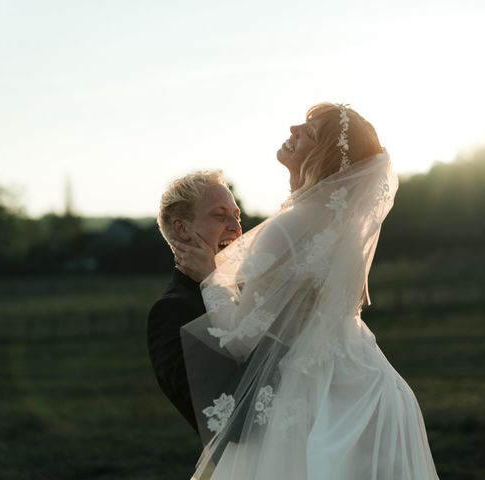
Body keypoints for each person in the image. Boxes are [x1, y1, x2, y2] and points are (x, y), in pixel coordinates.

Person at [177, 103, 439, 479]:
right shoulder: (346, 231)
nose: (293, 126)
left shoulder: (286, 229)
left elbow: (242, 337)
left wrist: (210, 279)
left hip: (307, 399)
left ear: (323, 158)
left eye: (310, 132)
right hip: (369, 384)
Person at [147, 170, 242, 435]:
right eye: (220, 215)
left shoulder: (247, 290)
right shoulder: (171, 312)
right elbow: (224, 419)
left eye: (237, 215)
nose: (236, 227)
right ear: (182, 229)